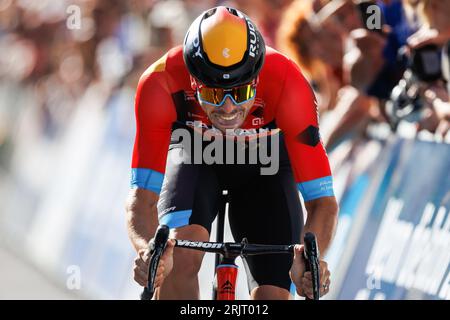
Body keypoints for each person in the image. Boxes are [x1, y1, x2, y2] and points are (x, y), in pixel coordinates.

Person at [126, 6, 338, 300]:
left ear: (256, 79)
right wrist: (149, 252)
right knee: (176, 260)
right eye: (213, 94)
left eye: (239, 93)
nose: (227, 108)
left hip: (265, 169)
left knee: (274, 295)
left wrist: (309, 260)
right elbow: (142, 200)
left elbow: (322, 203)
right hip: (196, 158)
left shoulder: (288, 82)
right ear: (192, 81)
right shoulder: (159, 82)